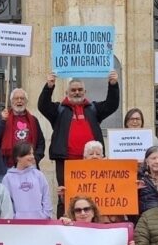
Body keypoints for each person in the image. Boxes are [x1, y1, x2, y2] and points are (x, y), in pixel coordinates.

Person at [37, 70, 120, 213]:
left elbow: (112, 104)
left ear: (85, 91)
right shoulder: (59, 110)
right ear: (67, 92)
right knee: (66, 195)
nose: (77, 92)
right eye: (73, 90)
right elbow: (43, 106)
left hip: (91, 162)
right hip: (66, 162)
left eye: (80, 90)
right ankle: (64, 223)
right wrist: (49, 87)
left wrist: (113, 85)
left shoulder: (93, 109)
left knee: (92, 196)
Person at [0, 88, 44, 181]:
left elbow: (41, 142)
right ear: (11, 101)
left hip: (29, 167)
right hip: (6, 167)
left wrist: (36, 158)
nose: (19, 101)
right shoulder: (4, 118)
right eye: (16, 98)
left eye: (22, 98)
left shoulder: (33, 120)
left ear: (26, 101)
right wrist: (2, 121)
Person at [1, 142, 51, 220]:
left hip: (40, 223)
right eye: (29, 154)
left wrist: (45, 215)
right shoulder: (7, 178)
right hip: (18, 225)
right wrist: (13, 218)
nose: (32, 157)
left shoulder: (38, 175)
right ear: (18, 157)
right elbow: (6, 202)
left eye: (32, 153)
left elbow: (46, 196)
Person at [137, 146, 158, 215]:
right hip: (147, 218)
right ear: (147, 161)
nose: (157, 161)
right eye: (153, 158)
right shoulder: (138, 179)